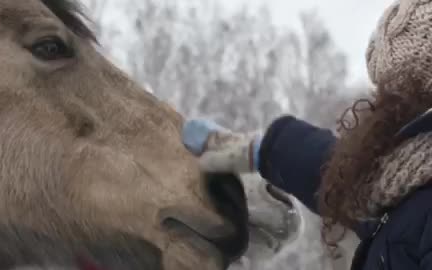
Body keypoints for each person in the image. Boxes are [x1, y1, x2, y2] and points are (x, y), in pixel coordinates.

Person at [181, 1, 432, 269]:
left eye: (394, 95)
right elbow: (351, 177)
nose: (381, 109)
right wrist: (261, 149)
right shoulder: (408, 178)